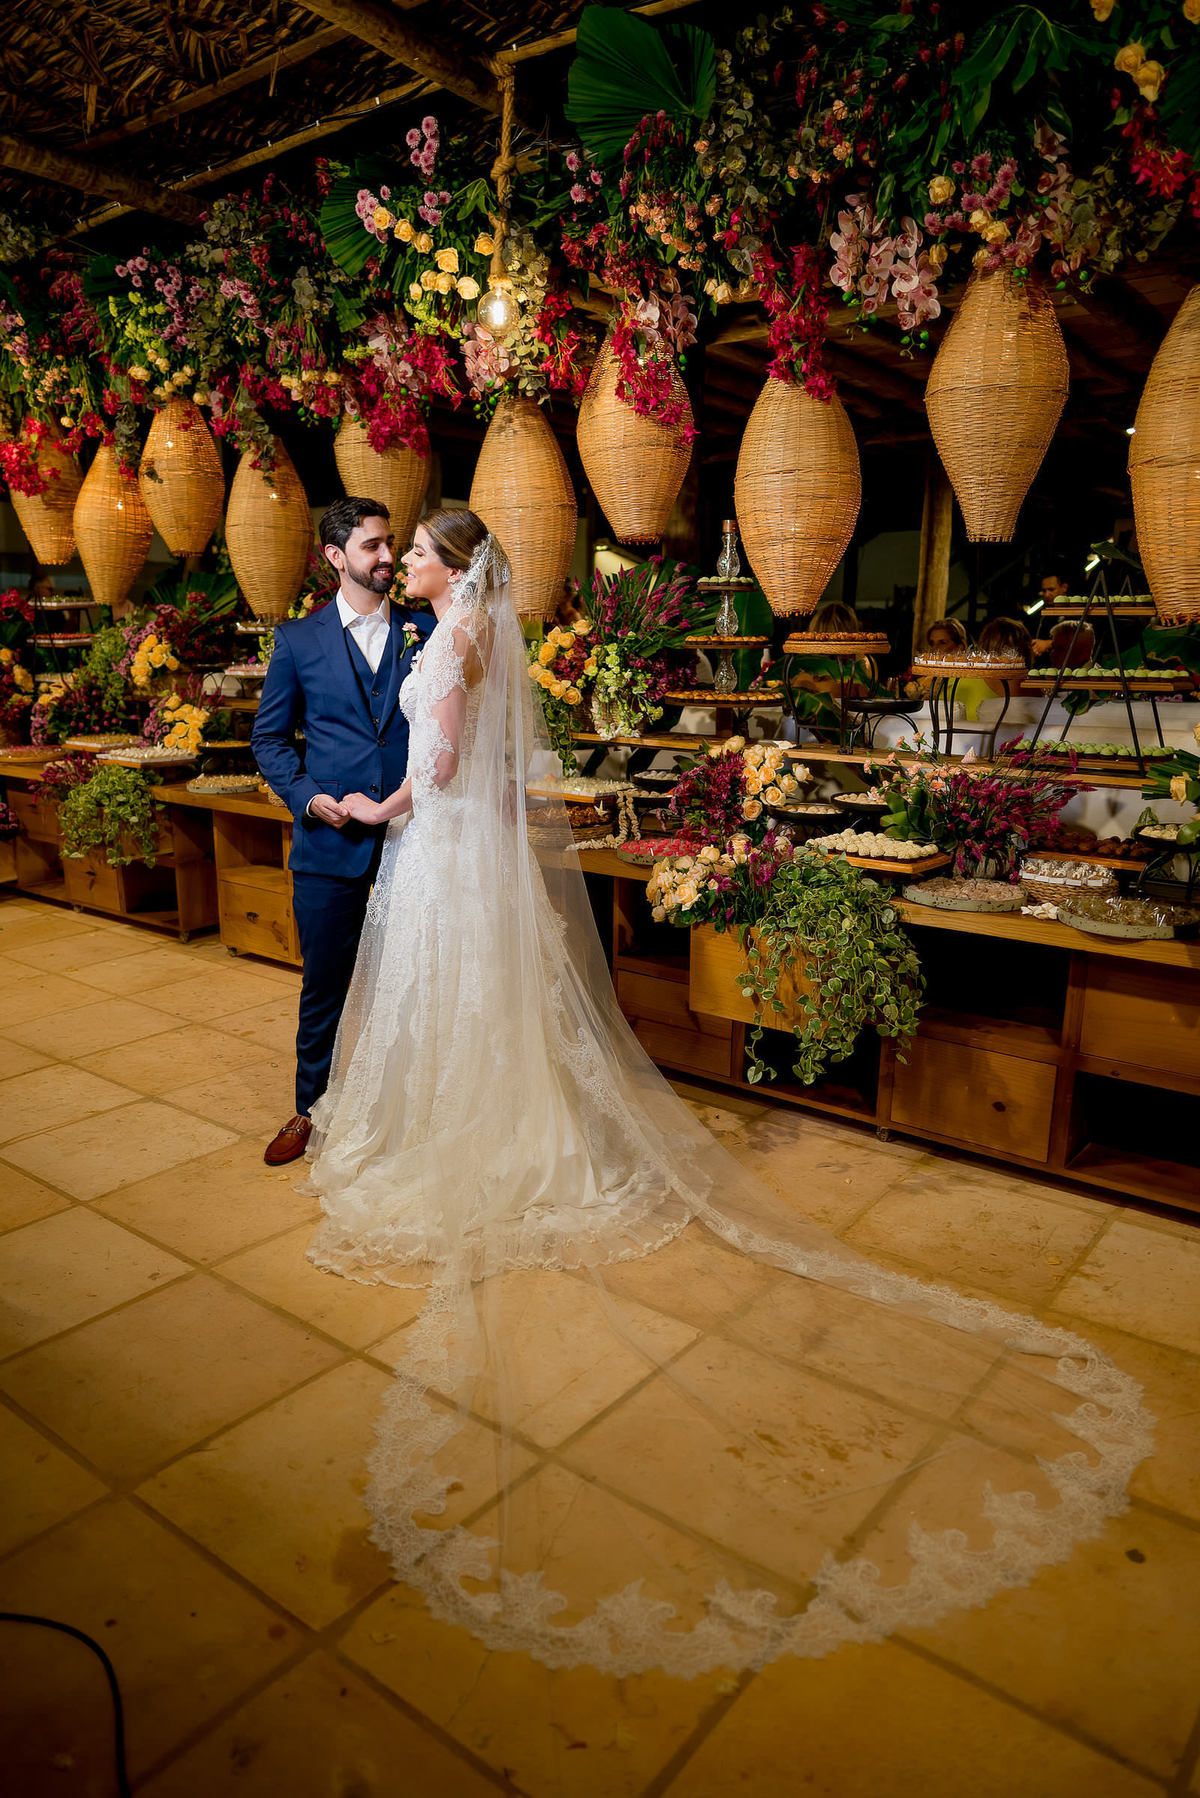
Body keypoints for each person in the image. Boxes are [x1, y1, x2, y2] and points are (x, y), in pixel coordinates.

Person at [301, 507, 1150, 1682]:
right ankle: (507, 1122)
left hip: (436, 844)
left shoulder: (449, 638)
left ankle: (455, 1137)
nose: (406, 564)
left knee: (449, 993)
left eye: (420, 554)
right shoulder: (474, 631)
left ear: (452, 566)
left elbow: (436, 766)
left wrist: (375, 807)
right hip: (466, 852)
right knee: (483, 998)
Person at [252, 497, 437, 1166]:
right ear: (336, 556)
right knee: (325, 987)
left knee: (418, 983)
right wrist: (308, 798)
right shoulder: (297, 642)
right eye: (372, 546)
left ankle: (411, 1114)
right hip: (330, 846)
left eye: (390, 543)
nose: (388, 557)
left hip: (418, 838)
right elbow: (269, 739)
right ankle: (310, 1110)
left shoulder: (427, 629)